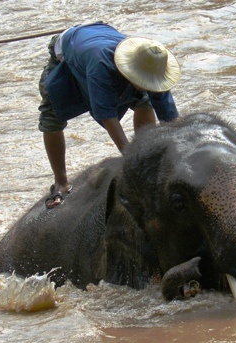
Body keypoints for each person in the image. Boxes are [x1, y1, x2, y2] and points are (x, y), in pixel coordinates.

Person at [38, 22, 181, 209]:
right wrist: (133, 161)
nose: (146, 83)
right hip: (68, 52)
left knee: (144, 100)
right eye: (142, 79)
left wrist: (177, 157)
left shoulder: (154, 65)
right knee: (52, 114)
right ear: (129, 68)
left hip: (100, 35)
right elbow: (107, 116)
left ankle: (146, 152)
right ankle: (60, 182)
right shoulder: (100, 65)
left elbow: (171, 120)